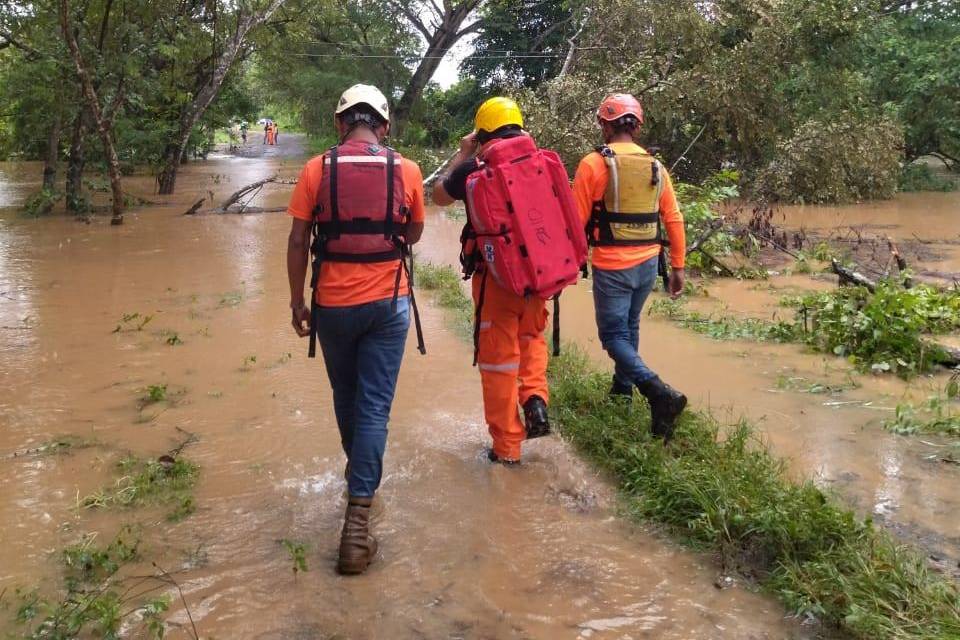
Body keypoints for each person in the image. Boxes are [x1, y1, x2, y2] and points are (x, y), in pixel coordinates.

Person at [286, 83, 426, 574]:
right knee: (373, 408)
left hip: (332, 305)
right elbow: (413, 232)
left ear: (341, 123)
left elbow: (299, 237)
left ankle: (358, 481)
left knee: (347, 398)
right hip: (389, 305)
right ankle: (359, 517)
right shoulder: (406, 169)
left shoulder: (314, 169)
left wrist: (296, 299)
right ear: (383, 126)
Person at [432, 97, 561, 465]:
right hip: (539, 279)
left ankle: (507, 450)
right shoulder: (542, 161)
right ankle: (535, 399)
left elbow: (438, 196)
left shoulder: (473, 167)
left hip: (496, 282)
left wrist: (463, 152)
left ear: (482, 132)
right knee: (532, 338)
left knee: (499, 364)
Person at [572, 93, 687, 441]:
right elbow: (674, 217)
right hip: (648, 264)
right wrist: (678, 267)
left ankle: (658, 392)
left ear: (605, 124)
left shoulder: (593, 164)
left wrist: (574, 260)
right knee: (630, 325)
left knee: (613, 337)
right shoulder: (656, 166)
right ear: (636, 126)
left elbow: (577, 222)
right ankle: (622, 391)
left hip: (612, 264)